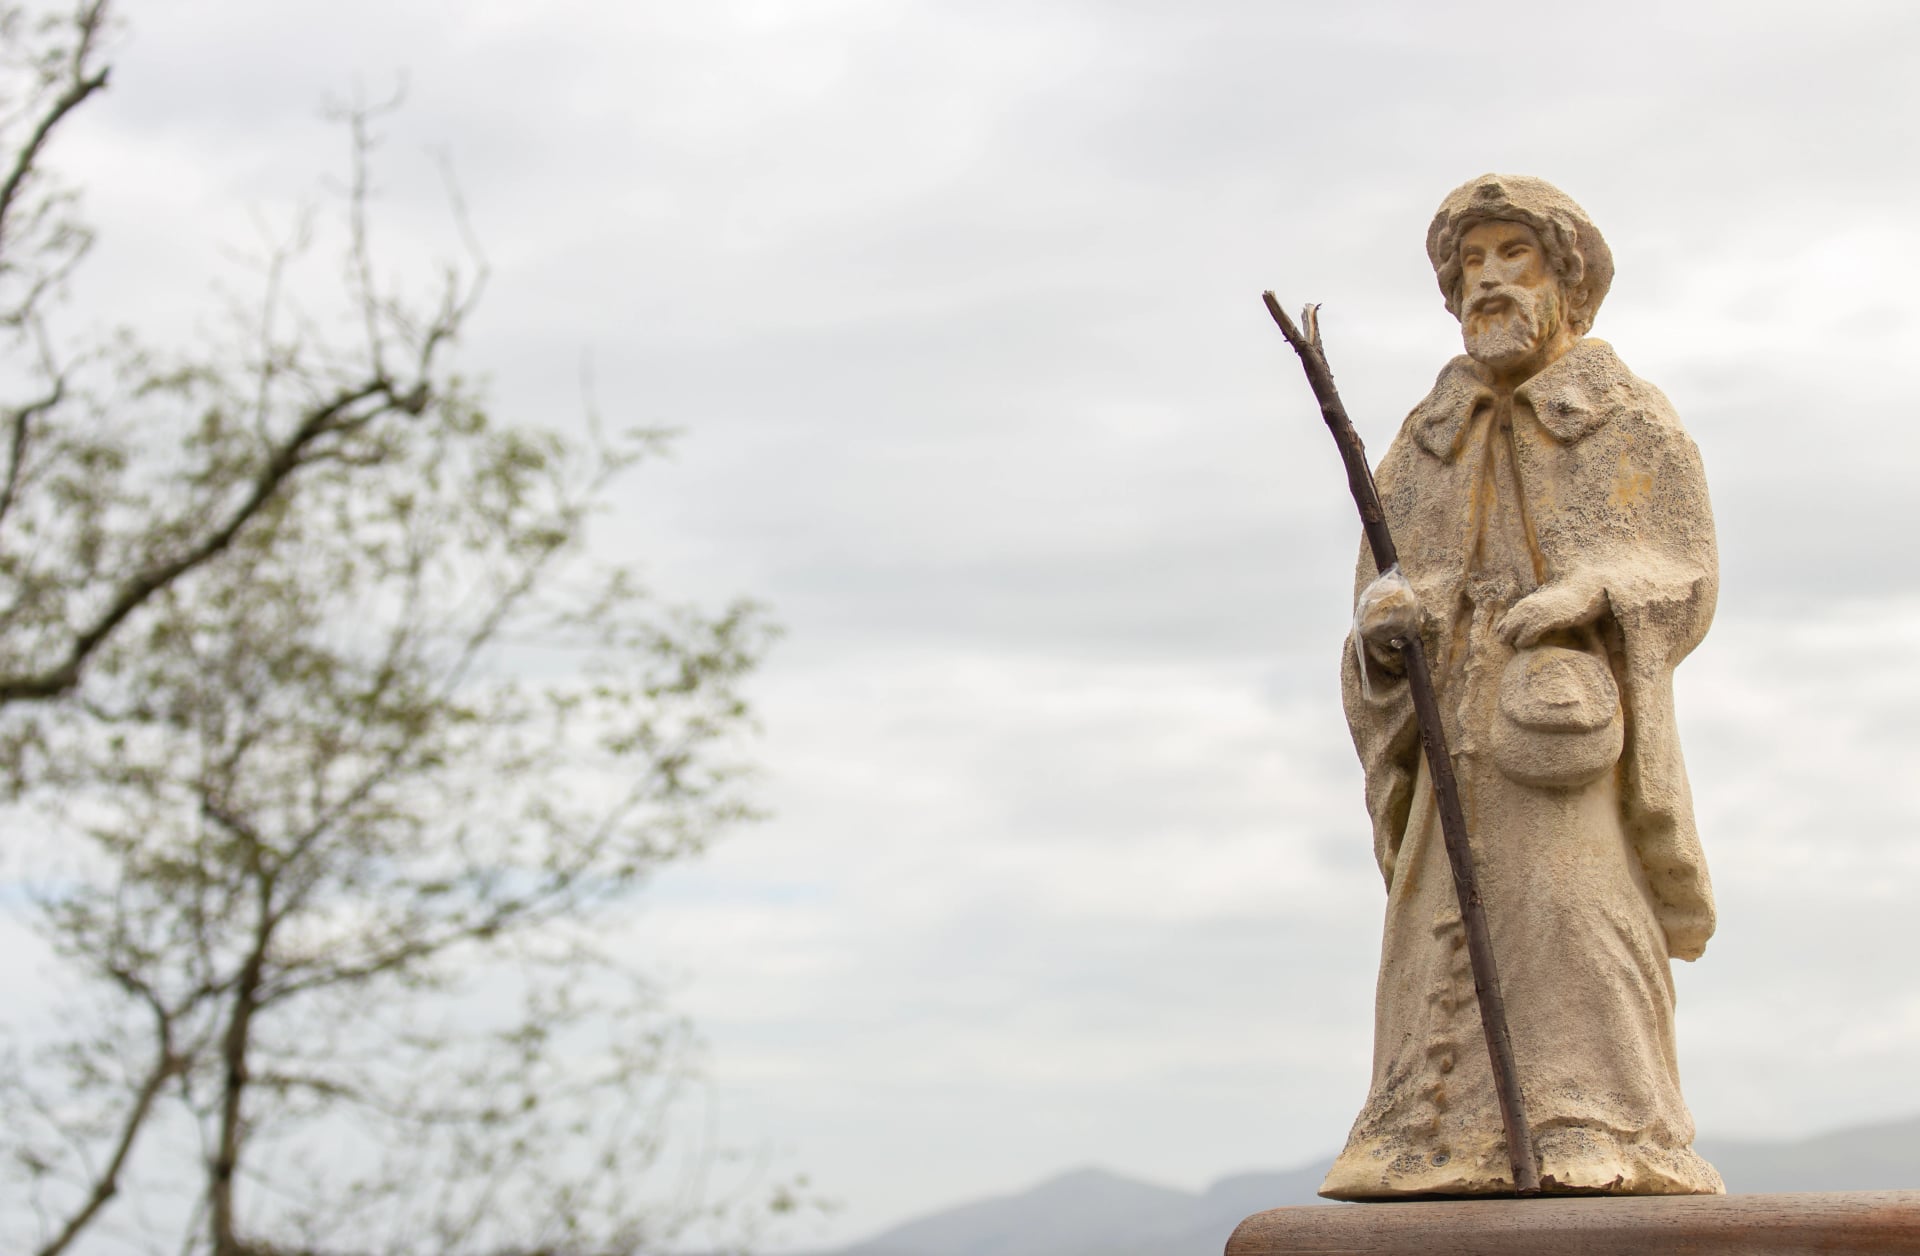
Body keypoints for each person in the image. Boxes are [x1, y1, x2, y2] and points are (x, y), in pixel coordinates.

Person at [1320, 174, 1722, 1199]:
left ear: (1568, 283)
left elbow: (1683, 570)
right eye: (1471, 266)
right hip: (1455, 730)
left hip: (1556, 743)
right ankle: (1424, 1132)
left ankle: (1596, 1114)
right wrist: (1384, 632)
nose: (1489, 281)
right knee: (1441, 918)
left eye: (1514, 257)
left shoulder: (1627, 419)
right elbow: (1381, 588)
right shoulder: (1427, 437)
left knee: (1572, 912)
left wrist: (1592, 590)